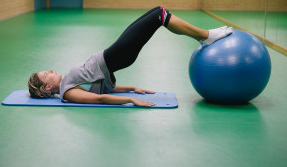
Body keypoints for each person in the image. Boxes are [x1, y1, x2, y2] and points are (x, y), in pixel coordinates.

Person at [28, 6, 233, 107]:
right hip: (115, 56)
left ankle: (201, 37)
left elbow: (103, 86)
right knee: (159, 16)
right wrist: (130, 100)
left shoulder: (70, 83)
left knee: (158, 11)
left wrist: (132, 88)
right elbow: (98, 98)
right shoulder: (68, 92)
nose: (52, 70)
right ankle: (206, 36)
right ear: (48, 87)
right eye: (47, 74)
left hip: (114, 56)